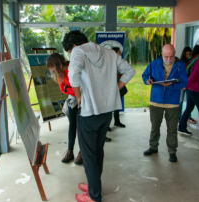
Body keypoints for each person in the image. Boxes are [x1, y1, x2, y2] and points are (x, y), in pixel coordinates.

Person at [62, 30, 135, 202]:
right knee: (97, 151)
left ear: (73, 46)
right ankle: (94, 185)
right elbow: (129, 71)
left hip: (89, 112)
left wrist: (78, 96)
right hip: (106, 112)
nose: (71, 55)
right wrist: (114, 89)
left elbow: (73, 75)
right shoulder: (109, 52)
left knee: (88, 154)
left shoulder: (78, 52)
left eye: (70, 52)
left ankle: (94, 196)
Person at [142, 44, 188, 163]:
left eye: (171, 56)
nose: (168, 59)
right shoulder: (154, 64)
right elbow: (145, 75)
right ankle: (153, 147)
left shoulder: (180, 66)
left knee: (172, 128)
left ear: (175, 53)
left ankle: (172, 151)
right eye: (166, 56)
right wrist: (147, 80)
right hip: (156, 101)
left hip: (172, 103)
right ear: (162, 54)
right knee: (155, 127)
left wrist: (171, 86)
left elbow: (183, 82)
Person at [46, 53, 83, 165]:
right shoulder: (59, 73)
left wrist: (70, 88)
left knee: (82, 127)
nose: (52, 70)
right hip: (73, 100)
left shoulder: (73, 67)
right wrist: (73, 90)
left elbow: (82, 87)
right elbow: (63, 89)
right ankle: (70, 151)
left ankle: (82, 152)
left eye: (52, 66)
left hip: (84, 100)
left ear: (58, 63)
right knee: (72, 125)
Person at [107, 47, 128, 131]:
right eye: (119, 52)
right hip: (111, 86)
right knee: (108, 107)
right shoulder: (109, 62)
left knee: (117, 105)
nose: (121, 53)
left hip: (119, 87)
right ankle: (106, 124)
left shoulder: (120, 62)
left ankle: (117, 121)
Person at [178, 47, 197, 124]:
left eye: (190, 54)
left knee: (190, 101)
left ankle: (188, 116)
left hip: (189, 84)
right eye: (187, 54)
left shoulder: (193, 62)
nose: (188, 56)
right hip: (182, 83)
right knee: (181, 100)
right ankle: (179, 116)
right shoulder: (181, 63)